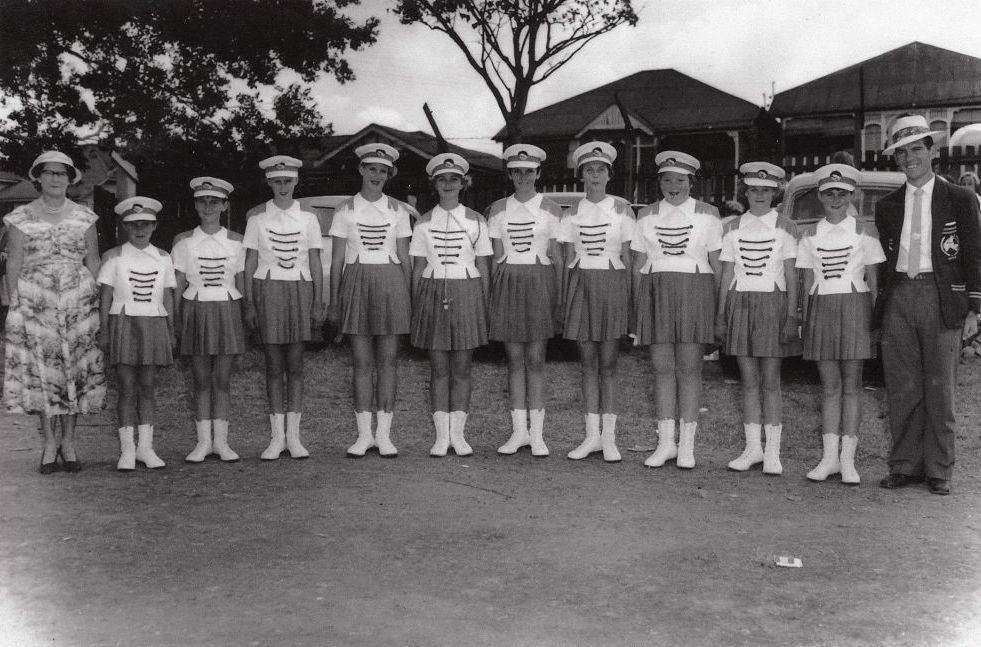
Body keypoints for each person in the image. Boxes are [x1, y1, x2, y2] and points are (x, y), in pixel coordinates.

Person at [874, 115, 981, 496]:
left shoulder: (961, 198)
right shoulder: (886, 206)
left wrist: (974, 307)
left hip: (942, 295)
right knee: (902, 386)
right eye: (901, 153)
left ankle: (939, 468)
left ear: (932, 151)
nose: (908, 159)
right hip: (901, 293)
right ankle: (905, 464)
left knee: (941, 387)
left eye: (916, 149)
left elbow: (973, 255)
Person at [3, 151, 105, 474]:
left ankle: (70, 442)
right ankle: (49, 442)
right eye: (49, 173)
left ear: (70, 178)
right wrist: (15, 304)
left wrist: (96, 302)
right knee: (44, 371)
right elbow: (14, 262)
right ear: (38, 177)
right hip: (36, 302)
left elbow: (93, 260)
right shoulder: (19, 218)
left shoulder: (85, 216)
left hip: (77, 300)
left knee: (73, 369)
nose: (55, 179)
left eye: (62, 174)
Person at [633, 151, 722, 470]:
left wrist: (718, 308)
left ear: (691, 183)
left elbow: (716, 264)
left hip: (695, 291)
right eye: (667, 179)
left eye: (680, 180)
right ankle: (665, 443)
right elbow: (638, 264)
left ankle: (687, 447)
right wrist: (637, 305)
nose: (674, 186)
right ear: (659, 182)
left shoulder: (709, 214)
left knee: (689, 368)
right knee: (661, 368)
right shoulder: (645, 214)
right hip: (656, 292)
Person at [796, 164, 885, 485]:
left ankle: (848, 461)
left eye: (842, 193)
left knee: (852, 385)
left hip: (855, 308)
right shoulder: (808, 235)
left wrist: (876, 322)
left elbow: (874, 284)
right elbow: (806, 282)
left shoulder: (866, 232)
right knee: (829, 386)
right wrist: (804, 321)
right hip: (821, 309)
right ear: (819, 196)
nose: (835, 198)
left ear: (853, 195)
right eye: (829, 193)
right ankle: (829, 458)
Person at [328, 144, 412, 458]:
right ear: (361, 170)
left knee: (388, 362)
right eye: (372, 168)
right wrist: (334, 301)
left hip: (391, 283)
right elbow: (337, 260)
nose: (377, 175)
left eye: (383, 170)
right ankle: (364, 436)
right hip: (356, 281)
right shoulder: (344, 210)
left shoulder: (399, 211)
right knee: (362, 363)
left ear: (389, 175)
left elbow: (405, 257)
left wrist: (410, 296)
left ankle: (385, 436)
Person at [718, 162, 800, 476]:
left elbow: (792, 276)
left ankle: (773, 453)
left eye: (766, 190)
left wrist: (792, 315)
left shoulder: (787, 226)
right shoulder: (732, 226)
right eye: (754, 189)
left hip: (773, 303)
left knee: (771, 381)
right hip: (740, 304)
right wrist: (721, 314)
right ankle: (753, 449)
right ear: (746, 191)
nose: (760, 195)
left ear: (775, 191)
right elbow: (726, 273)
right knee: (748, 381)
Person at [409, 153, 492, 456]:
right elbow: (417, 268)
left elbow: (483, 265)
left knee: (463, 367)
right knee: (438, 367)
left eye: (453, 179)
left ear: (463, 183)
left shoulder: (477, 220)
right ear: (434, 184)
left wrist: (484, 304)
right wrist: (417, 302)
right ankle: (441, 437)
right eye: (442, 179)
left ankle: (459, 435)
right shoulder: (423, 222)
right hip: (432, 291)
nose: (448, 184)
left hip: (467, 289)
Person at [244, 156, 324, 460]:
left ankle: (295, 437)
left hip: (299, 289)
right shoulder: (257, 219)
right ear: (269, 182)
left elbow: (315, 260)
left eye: (287, 180)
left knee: (296, 365)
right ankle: (276, 437)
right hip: (268, 289)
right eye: (276, 181)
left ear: (295, 182)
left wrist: (319, 299)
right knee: (273, 365)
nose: (282, 186)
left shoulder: (309, 218)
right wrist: (250, 302)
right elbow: (250, 262)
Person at [486, 144, 563, 457]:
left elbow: (557, 256)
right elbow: (494, 256)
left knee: (535, 360)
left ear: (538, 173)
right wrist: (493, 295)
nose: (522, 177)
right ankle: (518, 433)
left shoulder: (552, 209)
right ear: (509, 174)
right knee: (514, 360)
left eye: (528, 171)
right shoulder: (497, 209)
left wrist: (558, 299)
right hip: (507, 282)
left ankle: (538, 435)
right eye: (516, 171)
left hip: (539, 282)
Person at [560, 142, 634, 462]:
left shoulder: (623, 209)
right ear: (581, 176)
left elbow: (630, 258)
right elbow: (565, 259)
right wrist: (564, 300)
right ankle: (591, 437)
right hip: (581, 284)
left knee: (609, 364)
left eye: (600, 170)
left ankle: (610, 439)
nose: (595, 175)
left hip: (612, 283)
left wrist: (631, 301)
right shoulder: (571, 212)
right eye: (589, 170)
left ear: (609, 174)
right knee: (587, 364)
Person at [98, 197, 176, 471]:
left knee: (147, 387)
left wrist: (171, 330)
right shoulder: (114, 257)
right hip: (123, 323)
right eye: (133, 225)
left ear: (154, 225)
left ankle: (146, 447)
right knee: (126, 387)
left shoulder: (164, 258)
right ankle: (127, 450)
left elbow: (167, 296)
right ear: (125, 227)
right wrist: (105, 332)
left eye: (145, 224)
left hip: (153, 324)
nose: (140, 229)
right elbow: (105, 297)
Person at [172, 177, 245, 463]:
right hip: (196, 308)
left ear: (225, 205)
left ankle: (222, 443)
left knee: (223, 380)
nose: (208, 206)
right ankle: (203, 443)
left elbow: (241, 280)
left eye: (214, 201)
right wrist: (177, 319)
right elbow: (177, 283)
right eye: (202, 201)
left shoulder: (237, 241)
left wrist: (246, 313)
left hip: (227, 308)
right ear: (195, 205)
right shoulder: (183, 241)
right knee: (201, 380)